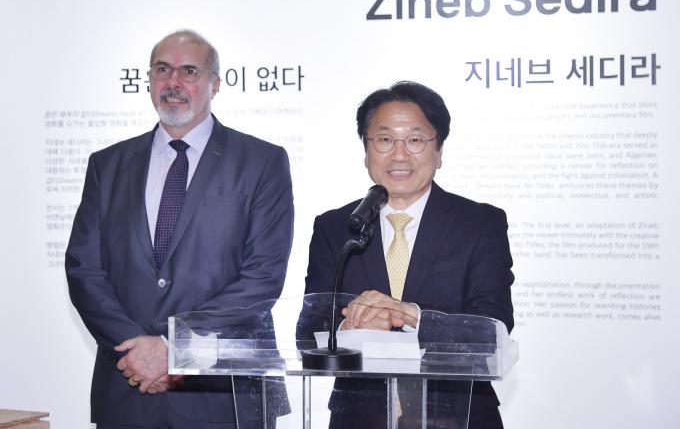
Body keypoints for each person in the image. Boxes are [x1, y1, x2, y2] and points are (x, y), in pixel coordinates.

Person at [65, 30, 294, 428]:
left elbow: (263, 277)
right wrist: (137, 352)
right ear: (149, 80)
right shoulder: (108, 164)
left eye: (189, 71)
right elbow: (84, 270)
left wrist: (173, 347)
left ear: (215, 84)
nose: (174, 82)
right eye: (162, 69)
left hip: (223, 395)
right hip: (128, 387)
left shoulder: (262, 162)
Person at [304, 81, 514, 428]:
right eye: (384, 140)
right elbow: (308, 328)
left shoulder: (479, 224)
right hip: (359, 417)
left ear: (439, 151)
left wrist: (412, 315)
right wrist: (348, 326)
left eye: (415, 140)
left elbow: (494, 325)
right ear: (366, 150)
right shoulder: (336, 227)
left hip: (456, 415)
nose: (399, 155)